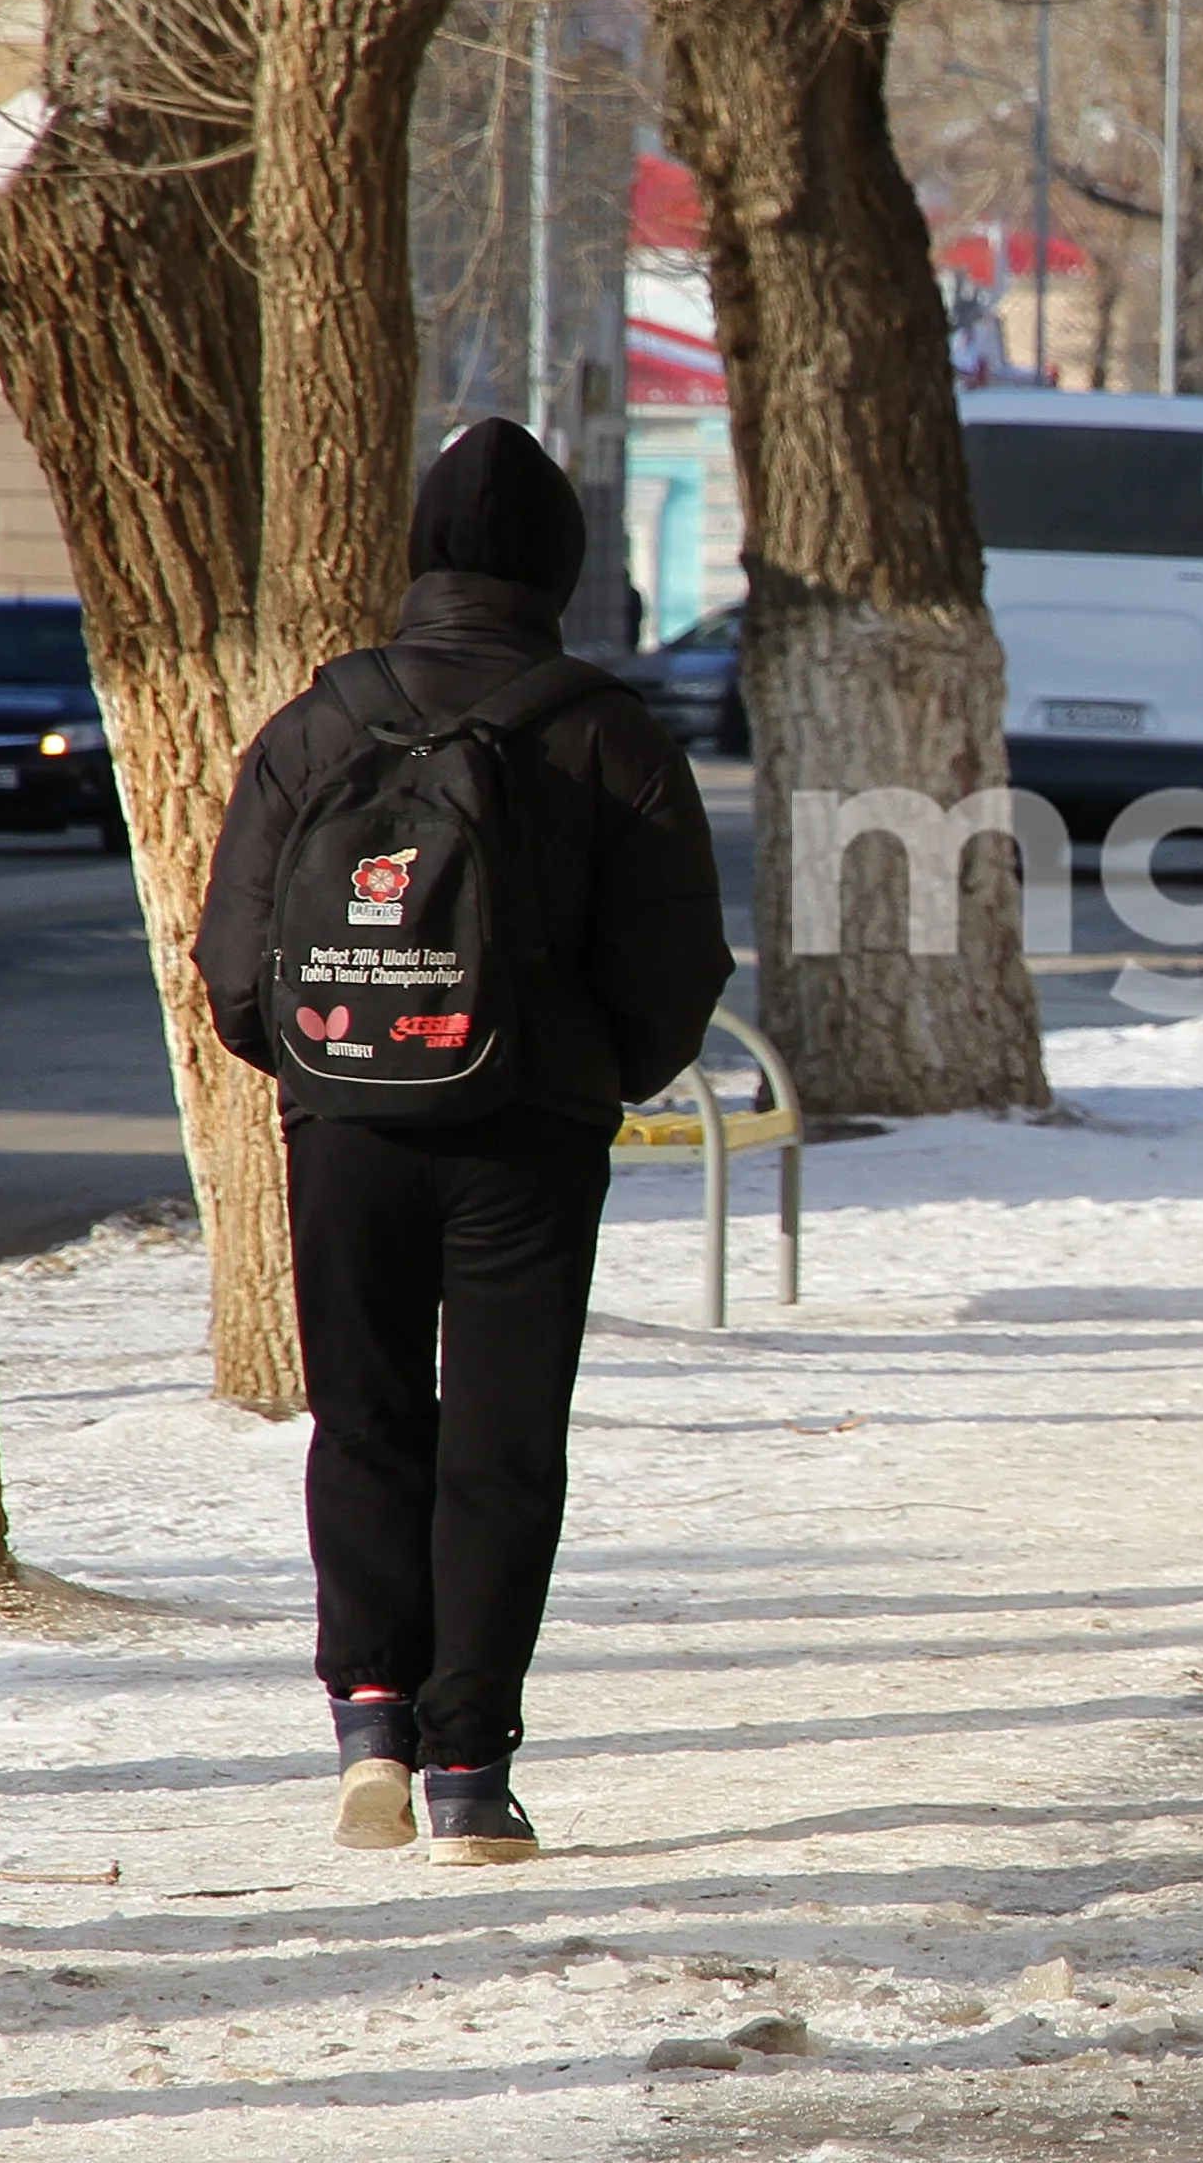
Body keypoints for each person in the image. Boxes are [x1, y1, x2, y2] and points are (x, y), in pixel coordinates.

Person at [198, 420, 732, 1865]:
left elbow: (236, 958)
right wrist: (586, 1074)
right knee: (504, 1442)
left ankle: (368, 1710)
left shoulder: (321, 722)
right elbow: (681, 967)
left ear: (424, 554)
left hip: (350, 1126)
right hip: (529, 1139)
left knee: (364, 1416)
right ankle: (469, 1776)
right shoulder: (605, 727)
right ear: (561, 564)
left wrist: (323, 1068)